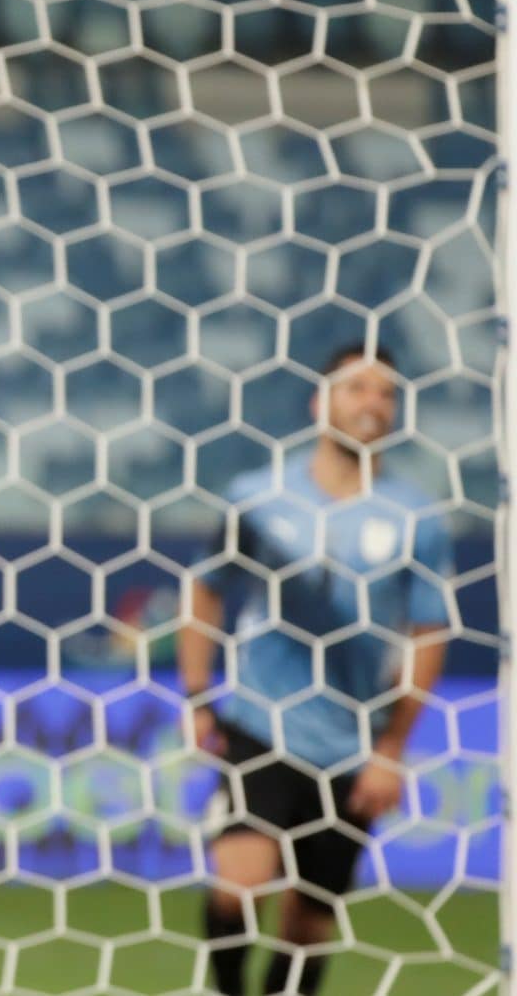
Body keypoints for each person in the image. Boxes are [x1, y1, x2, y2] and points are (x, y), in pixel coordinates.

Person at [178, 343, 452, 995]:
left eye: (386, 392)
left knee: (308, 924)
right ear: (320, 402)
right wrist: (197, 694)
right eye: (357, 388)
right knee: (239, 884)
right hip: (261, 723)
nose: (373, 403)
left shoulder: (415, 517)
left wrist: (392, 747)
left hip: (352, 742)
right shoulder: (258, 498)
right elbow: (205, 588)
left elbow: (428, 631)